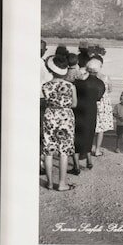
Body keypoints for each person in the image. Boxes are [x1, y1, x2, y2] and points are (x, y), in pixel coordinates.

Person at [41, 46, 77, 190]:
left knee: (48, 150)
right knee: (64, 151)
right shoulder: (70, 86)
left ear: (51, 70)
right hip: (65, 117)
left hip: (50, 115)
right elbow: (74, 104)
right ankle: (62, 183)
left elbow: (46, 100)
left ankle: (49, 182)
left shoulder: (45, 86)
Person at [73, 58, 105, 170]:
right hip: (92, 109)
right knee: (89, 134)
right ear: (97, 70)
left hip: (79, 109)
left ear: (87, 68)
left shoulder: (79, 82)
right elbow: (98, 97)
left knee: (77, 135)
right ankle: (89, 160)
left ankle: (76, 165)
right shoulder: (100, 83)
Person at [91, 54, 113, 156]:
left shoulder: (88, 77)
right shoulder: (105, 77)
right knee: (101, 128)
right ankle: (97, 149)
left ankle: (90, 147)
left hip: (92, 101)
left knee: (92, 125)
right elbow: (110, 90)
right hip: (103, 103)